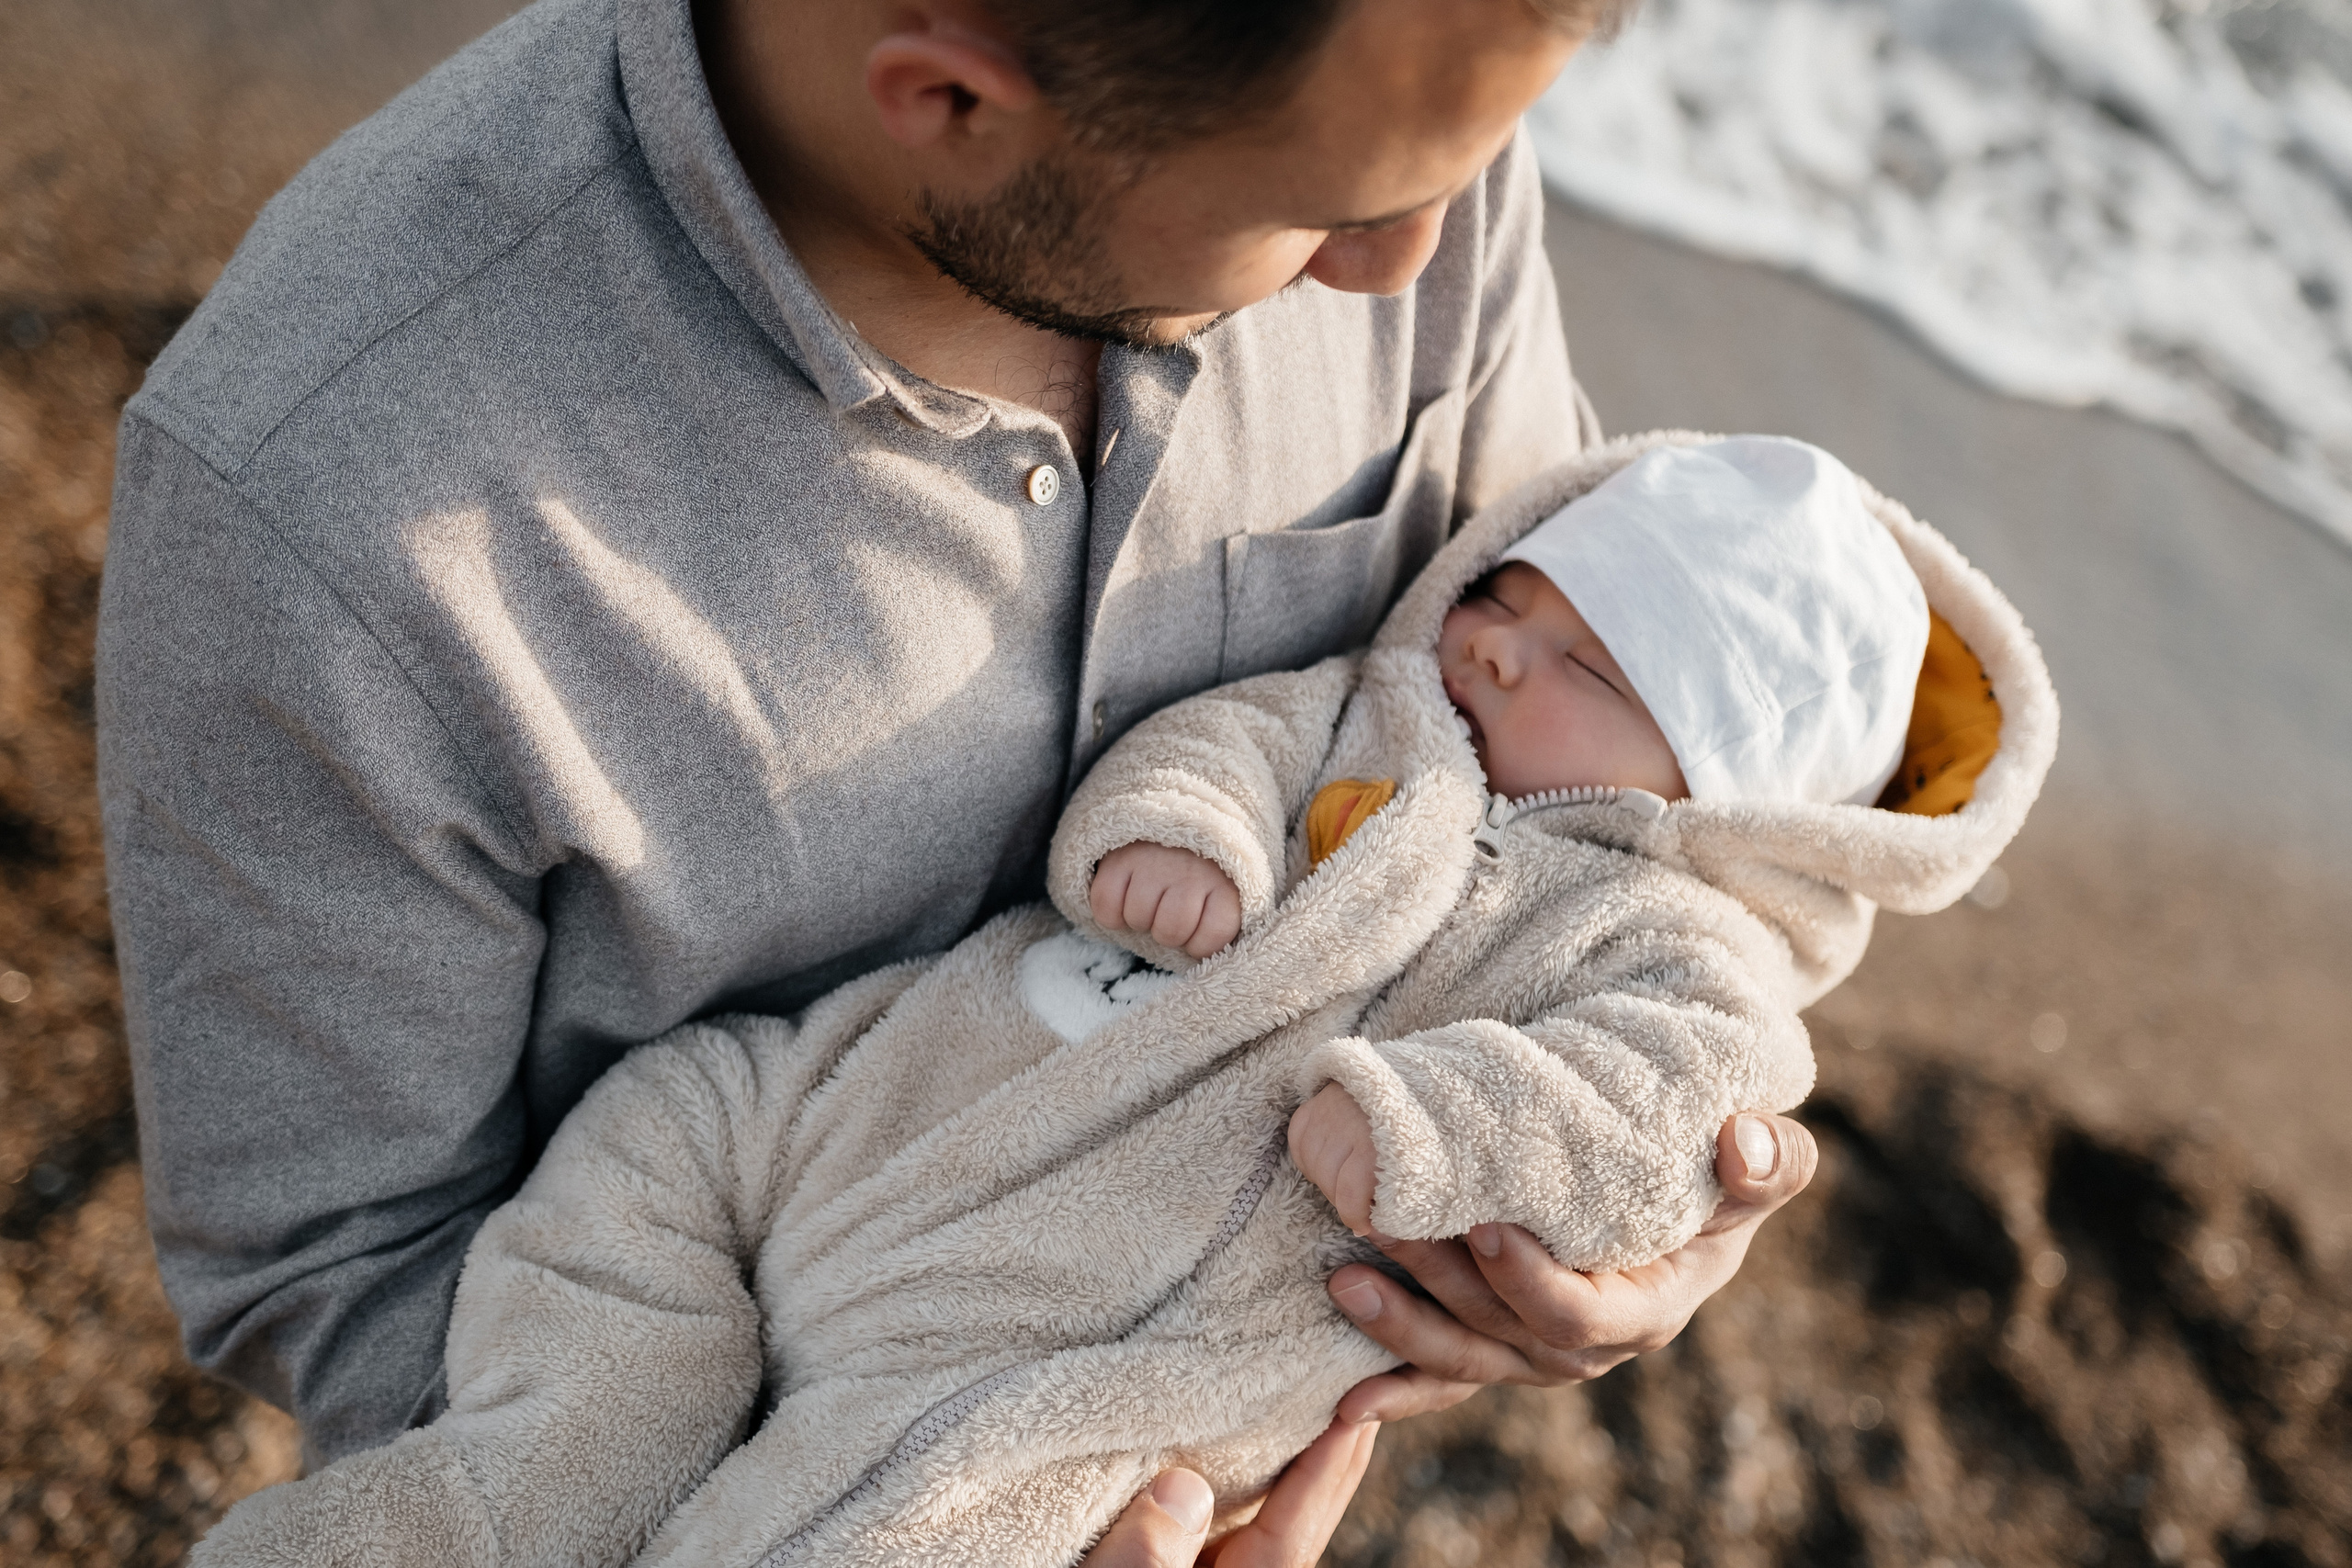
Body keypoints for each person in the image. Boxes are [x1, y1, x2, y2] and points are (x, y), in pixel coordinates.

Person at [97, 0, 1822, 1557]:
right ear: (946, 96)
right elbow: (338, 1267)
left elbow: (1581, 796)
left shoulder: (1386, 113)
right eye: (1331, 207)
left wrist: (1633, 1205)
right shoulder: (311, 505)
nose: (1412, 259)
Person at [185, 434, 2055, 1567]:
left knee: (895, 1522)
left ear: (1707, 782)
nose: (1486, 637)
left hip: (1050, 1353)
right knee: (642, 1194)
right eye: (1507, 588)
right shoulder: (1372, 711)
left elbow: (1669, 1105)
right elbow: (1217, 743)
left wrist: (1441, 1126)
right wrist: (1179, 831)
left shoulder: (1675, 947)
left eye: (1571, 659)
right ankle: (519, 1484)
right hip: (847, 1108)